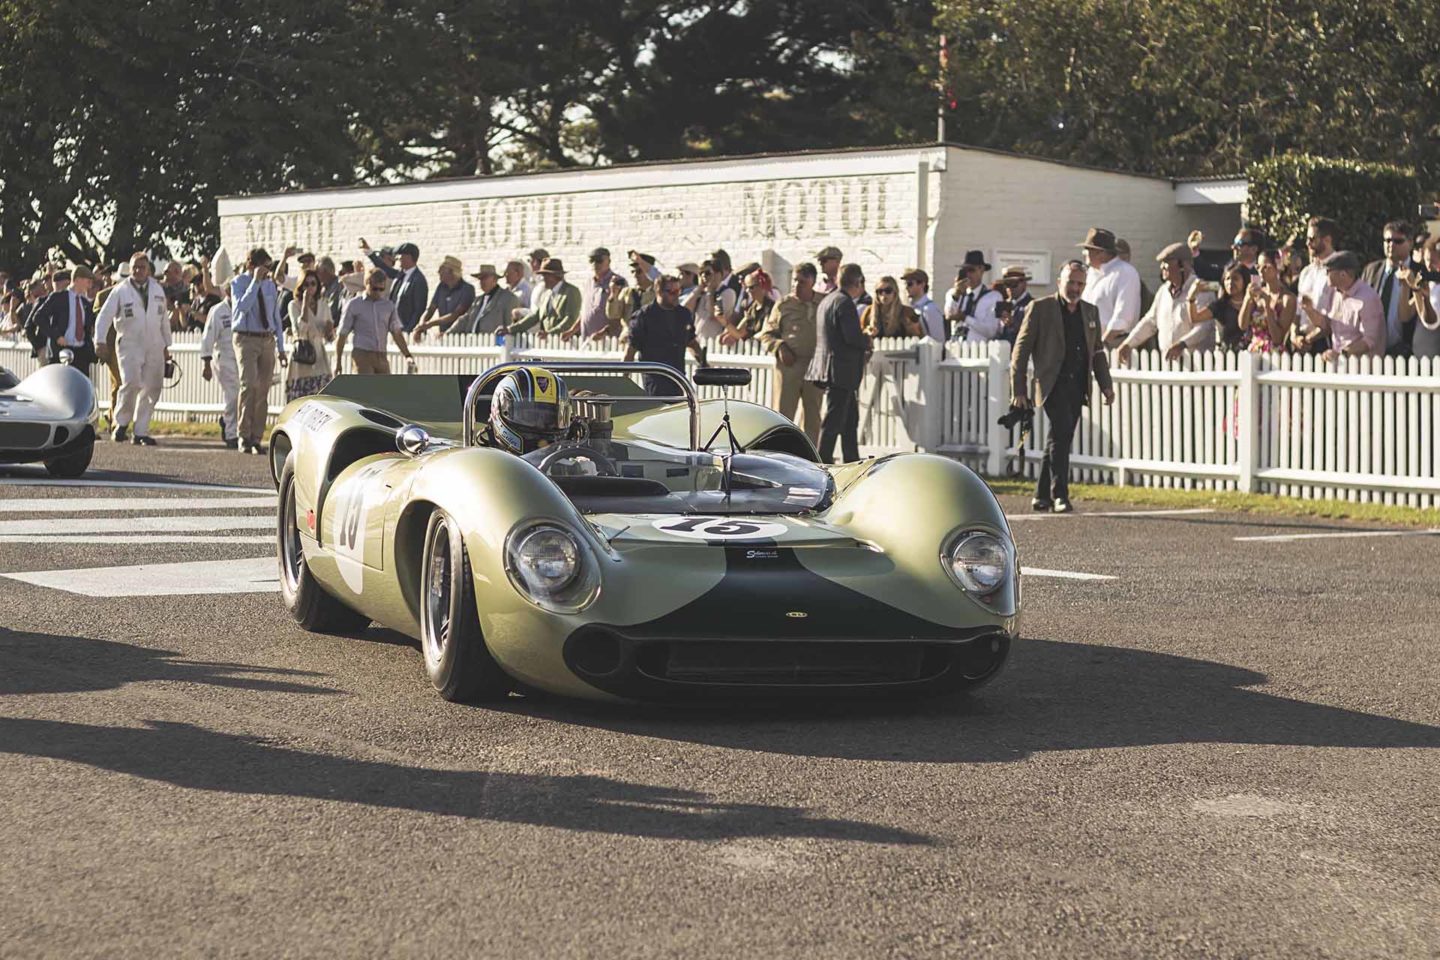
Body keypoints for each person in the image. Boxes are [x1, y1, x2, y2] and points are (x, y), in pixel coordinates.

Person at [1011, 260, 1115, 513]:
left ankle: (1041, 495)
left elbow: (1098, 351)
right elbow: (1021, 351)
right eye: (1071, 282)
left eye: (1080, 283)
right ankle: (1061, 495)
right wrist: (1019, 391)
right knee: (1061, 431)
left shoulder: (1090, 312)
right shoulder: (1040, 308)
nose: (1075, 288)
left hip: (1078, 384)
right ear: (1060, 282)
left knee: (1059, 438)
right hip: (1051, 385)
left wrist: (1106, 385)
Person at [95, 252, 172, 446]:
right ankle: (120, 424)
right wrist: (100, 340)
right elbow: (104, 317)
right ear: (130, 269)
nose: (138, 271)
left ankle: (141, 431)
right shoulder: (121, 290)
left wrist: (166, 346)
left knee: (152, 387)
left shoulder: (157, 290)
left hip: (154, 344)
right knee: (131, 383)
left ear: (148, 269)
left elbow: (164, 320)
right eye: (135, 267)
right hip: (129, 343)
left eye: (142, 267)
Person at [806, 263, 871, 464]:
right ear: (858, 282)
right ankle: (823, 460)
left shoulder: (828, 300)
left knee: (850, 420)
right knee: (834, 421)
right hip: (841, 370)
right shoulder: (844, 303)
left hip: (832, 369)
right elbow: (851, 337)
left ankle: (851, 459)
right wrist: (866, 339)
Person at [1116, 243, 1214, 366]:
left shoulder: (1201, 290)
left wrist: (1182, 344)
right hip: (1169, 364)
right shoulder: (1163, 291)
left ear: (1182, 265)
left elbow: (1205, 327)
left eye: (1166, 262)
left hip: (1197, 364)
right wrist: (1128, 343)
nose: (1162, 267)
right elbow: (1150, 322)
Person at [230, 248, 287, 455]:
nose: (267, 271)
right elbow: (242, 307)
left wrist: (280, 348)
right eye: (264, 266)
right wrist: (255, 282)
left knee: (263, 389)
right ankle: (243, 435)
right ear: (253, 265)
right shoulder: (238, 283)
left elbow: (275, 317)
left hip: (266, 339)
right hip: (246, 337)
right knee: (249, 386)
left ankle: (256, 437)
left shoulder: (271, 285)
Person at [759, 262, 823, 445]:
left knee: (813, 415)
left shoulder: (823, 302)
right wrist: (780, 347)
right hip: (789, 366)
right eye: (794, 280)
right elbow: (766, 334)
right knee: (783, 414)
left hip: (815, 367)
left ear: (812, 282)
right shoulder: (783, 305)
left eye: (802, 281)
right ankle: (780, 452)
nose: (796, 285)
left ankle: (811, 456)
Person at [623, 274, 704, 396]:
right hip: (655, 380)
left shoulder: (683, 315)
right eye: (671, 291)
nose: (676, 295)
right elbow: (631, 349)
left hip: (678, 378)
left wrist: (702, 361)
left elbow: (690, 341)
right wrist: (624, 379)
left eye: (678, 291)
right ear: (658, 291)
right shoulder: (644, 316)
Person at [1301, 251, 1385, 361]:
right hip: (1340, 366)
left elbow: (1369, 340)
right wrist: (1309, 310)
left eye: (1328, 271)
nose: (1325, 275)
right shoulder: (1334, 294)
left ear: (1343, 274)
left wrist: (1341, 353)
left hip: (1363, 369)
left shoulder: (1367, 298)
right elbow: (1326, 326)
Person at [336, 267, 416, 375]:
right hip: (362, 354)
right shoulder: (354, 305)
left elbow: (396, 333)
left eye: (381, 289)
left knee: (384, 389)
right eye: (374, 289)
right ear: (367, 284)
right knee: (366, 388)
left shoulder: (388, 306)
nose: (378, 292)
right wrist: (338, 362)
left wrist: (407, 355)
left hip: (381, 354)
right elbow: (342, 334)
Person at [1077, 227, 1142, 347]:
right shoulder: (1090, 274)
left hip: (1113, 343)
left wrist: (1102, 344)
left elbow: (1123, 317)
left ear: (1101, 253)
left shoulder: (1125, 273)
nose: (1084, 253)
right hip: (1089, 343)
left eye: (1088, 249)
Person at [1360, 220, 1417, 356]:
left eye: (1398, 241)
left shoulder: (1419, 272)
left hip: (1406, 352)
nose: (1391, 245)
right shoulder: (1371, 270)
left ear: (1410, 243)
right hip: (1371, 351)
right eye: (1387, 240)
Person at [33, 268, 96, 377]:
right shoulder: (58, 297)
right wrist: (56, 336)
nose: (90, 286)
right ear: (77, 280)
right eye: (88, 282)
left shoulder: (85, 303)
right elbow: (38, 317)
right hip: (62, 352)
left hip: (81, 353)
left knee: (80, 387)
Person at [200, 284, 240, 449]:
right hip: (224, 357)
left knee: (243, 396)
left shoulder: (245, 307)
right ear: (227, 291)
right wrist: (206, 363)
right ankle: (231, 434)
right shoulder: (218, 311)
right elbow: (208, 337)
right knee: (233, 394)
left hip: (242, 357)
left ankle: (230, 423)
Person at [286, 268, 335, 402]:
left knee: (321, 396)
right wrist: (305, 305)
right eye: (306, 284)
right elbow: (300, 330)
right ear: (301, 286)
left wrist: (330, 332)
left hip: (319, 355)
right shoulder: (293, 305)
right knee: (302, 399)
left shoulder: (324, 304)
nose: (310, 287)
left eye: (313, 283)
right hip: (302, 353)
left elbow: (329, 336)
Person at [1292, 216, 1339, 354]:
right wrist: (1295, 336)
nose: (1307, 243)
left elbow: (1335, 318)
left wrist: (1309, 339)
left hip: (1325, 343)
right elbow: (1297, 312)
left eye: (1312, 239)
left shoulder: (1338, 271)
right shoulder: (1306, 272)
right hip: (1301, 343)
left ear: (1327, 240)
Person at [1236, 250, 1296, 353]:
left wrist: (1268, 307)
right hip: (1254, 350)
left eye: (1265, 267)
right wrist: (1247, 298)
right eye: (1258, 267)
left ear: (1277, 268)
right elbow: (1242, 325)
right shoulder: (1258, 293)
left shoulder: (1287, 299)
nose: (1260, 271)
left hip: (1274, 353)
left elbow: (1278, 339)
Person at [361, 238, 427, 331]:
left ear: (409, 257)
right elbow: (384, 268)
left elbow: (419, 309)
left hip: (406, 329)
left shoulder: (418, 280)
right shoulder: (400, 274)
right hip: (393, 327)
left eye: (400, 256)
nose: (397, 258)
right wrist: (369, 252)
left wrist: (409, 330)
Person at [508, 258, 581, 336]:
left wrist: (550, 333)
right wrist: (511, 329)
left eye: (545, 275)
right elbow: (535, 316)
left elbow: (570, 319)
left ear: (554, 276)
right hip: (548, 342)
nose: (543, 278)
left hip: (565, 342)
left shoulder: (571, 291)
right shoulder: (546, 294)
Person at [411, 256, 474, 339]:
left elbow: (456, 314)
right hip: (442, 335)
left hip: (459, 336)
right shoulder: (441, 287)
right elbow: (431, 309)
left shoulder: (467, 289)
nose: (438, 272)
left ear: (452, 272)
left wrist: (430, 324)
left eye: (442, 270)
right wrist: (421, 325)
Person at [944, 251, 1002, 341]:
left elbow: (991, 331)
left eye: (971, 270)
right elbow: (949, 315)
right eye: (964, 271)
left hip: (979, 349)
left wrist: (966, 318)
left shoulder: (993, 297)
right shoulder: (953, 293)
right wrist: (957, 293)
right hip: (956, 347)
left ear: (981, 270)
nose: (968, 275)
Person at [1192, 263, 1249, 351]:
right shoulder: (1220, 306)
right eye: (1227, 279)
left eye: (1235, 279)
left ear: (1244, 281)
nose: (1230, 283)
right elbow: (1195, 317)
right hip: (1226, 357)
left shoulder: (1254, 304)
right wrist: (1191, 298)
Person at [562, 247, 616, 341]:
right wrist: (572, 330)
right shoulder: (588, 283)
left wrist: (604, 331)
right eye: (591, 261)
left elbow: (621, 314)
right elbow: (585, 312)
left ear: (608, 261)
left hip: (608, 341)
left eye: (599, 261)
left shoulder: (616, 282)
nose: (595, 264)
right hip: (587, 338)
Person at [1400, 235, 1440, 359]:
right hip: (1420, 359)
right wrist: (1409, 287)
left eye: (1434, 261)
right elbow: (1405, 315)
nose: (1429, 266)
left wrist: (1424, 297)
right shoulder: (1431, 285)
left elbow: (1431, 322)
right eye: (1427, 260)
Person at [456, 264, 519, 335]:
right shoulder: (477, 300)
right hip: (472, 342)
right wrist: (447, 333)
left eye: (485, 278)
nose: (481, 281)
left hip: (493, 342)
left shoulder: (508, 298)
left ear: (494, 279)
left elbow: (511, 326)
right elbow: (464, 319)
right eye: (480, 278)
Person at [901, 268, 945, 341]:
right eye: (905, 284)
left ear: (922, 284)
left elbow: (938, 339)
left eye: (910, 284)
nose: (906, 288)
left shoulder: (930, 309)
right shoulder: (909, 308)